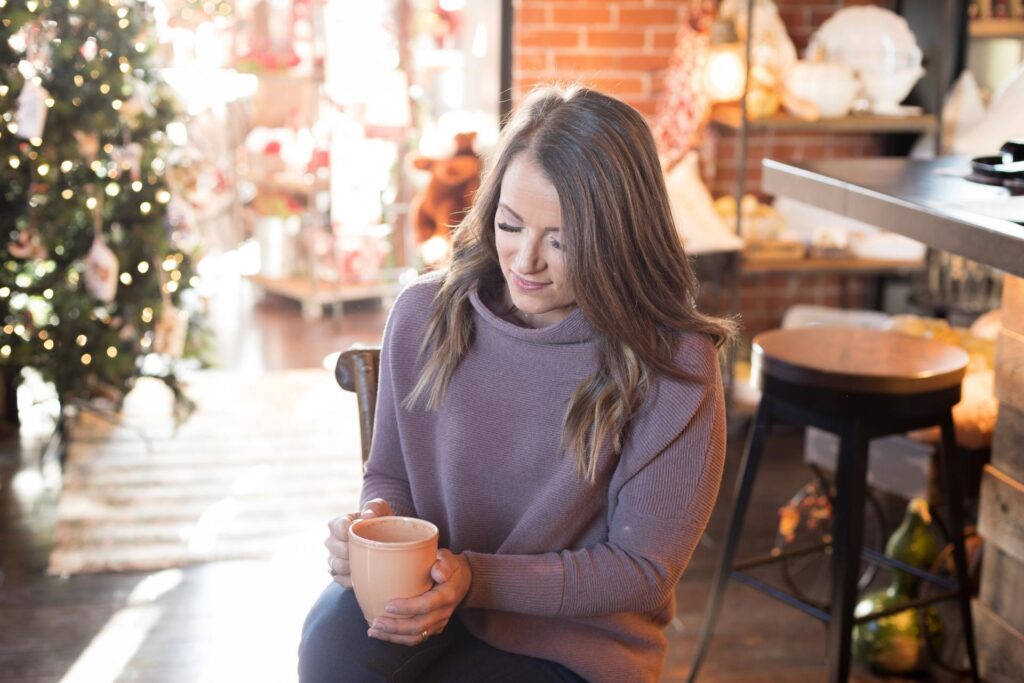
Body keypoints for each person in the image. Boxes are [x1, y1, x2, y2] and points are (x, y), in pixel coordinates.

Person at [298, 84, 734, 683]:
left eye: (561, 239)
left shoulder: (674, 364)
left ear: (621, 237)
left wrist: (475, 580)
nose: (525, 261)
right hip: (433, 601)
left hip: (573, 647)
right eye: (510, 224)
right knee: (332, 645)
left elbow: (643, 568)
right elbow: (392, 475)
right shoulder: (426, 313)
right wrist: (377, 530)